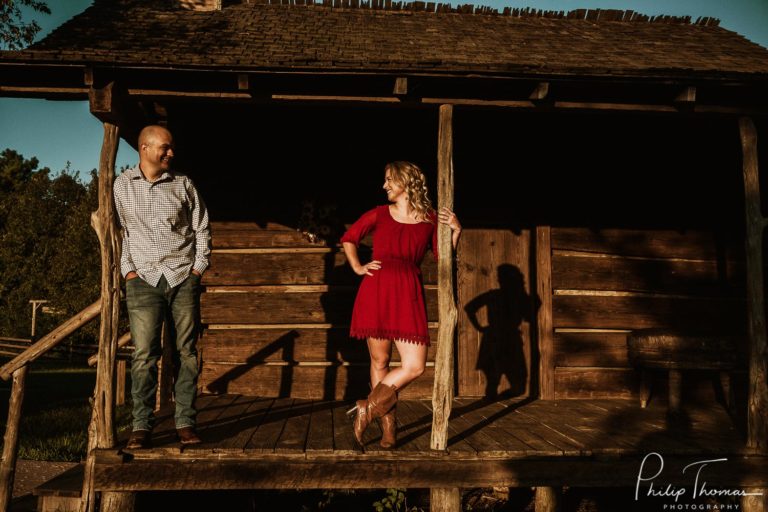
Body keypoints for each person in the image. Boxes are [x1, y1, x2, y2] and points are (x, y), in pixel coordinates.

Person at [342, 161, 461, 448]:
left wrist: (455, 232)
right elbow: (349, 238)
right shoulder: (379, 214)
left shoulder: (430, 219)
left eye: (389, 180)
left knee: (415, 365)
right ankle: (388, 431)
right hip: (377, 289)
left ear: (406, 182)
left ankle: (367, 408)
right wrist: (358, 267)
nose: (384, 186)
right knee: (380, 361)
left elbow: (442, 258)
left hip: (408, 291)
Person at [114, 125, 211, 449]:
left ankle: (185, 423)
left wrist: (197, 269)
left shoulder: (184, 185)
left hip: (183, 277)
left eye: (171, 148)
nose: (171, 153)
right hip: (143, 281)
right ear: (144, 148)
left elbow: (201, 229)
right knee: (144, 355)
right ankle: (141, 427)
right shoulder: (122, 186)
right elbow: (121, 232)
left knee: (186, 353)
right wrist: (128, 271)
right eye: (165, 148)